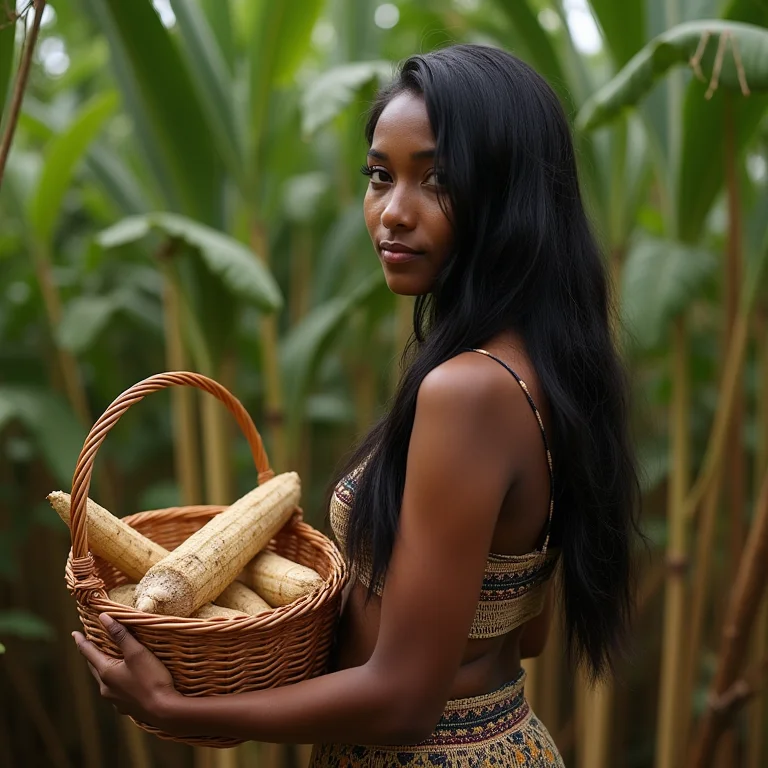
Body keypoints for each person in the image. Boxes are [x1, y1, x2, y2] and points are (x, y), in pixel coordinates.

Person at [73, 44, 640, 766]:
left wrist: (181, 706)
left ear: (511, 194)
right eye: (380, 176)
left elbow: (403, 701)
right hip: (506, 738)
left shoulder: (467, 390)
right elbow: (518, 628)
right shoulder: (545, 368)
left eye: (438, 180)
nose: (392, 212)